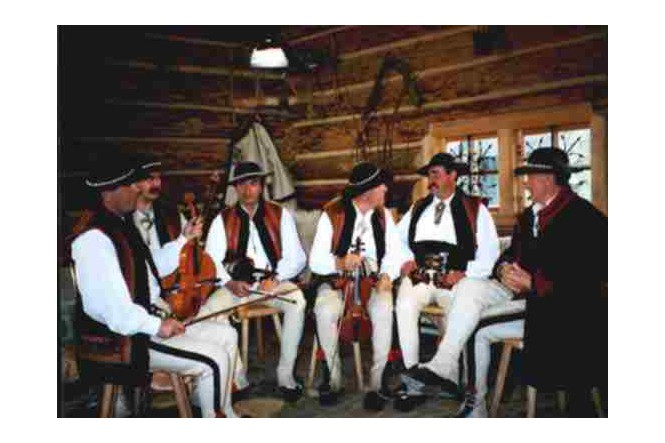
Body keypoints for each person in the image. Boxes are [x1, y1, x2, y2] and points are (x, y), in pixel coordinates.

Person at [404, 147, 607, 418]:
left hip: (558, 308)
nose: (526, 184)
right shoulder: (529, 216)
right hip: (519, 295)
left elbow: (591, 274)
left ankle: (471, 403)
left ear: (548, 179)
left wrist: (535, 283)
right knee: (467, 287)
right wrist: (503, 269)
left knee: (476, 327)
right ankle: (449, 370)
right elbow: (509, 255)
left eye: (530, 177)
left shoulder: (584, 217)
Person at [70, 152, 239, 418]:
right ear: (109, 192)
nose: (139, 189)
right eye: (132, 184)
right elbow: (111, 311)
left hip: (142, 323)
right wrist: (157, 325)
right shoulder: (94, 239)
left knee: (228, 336)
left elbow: (150, 269)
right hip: (122, 339)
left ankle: (224, 413)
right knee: (214, 358)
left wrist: (183, 241)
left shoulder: (121, 225)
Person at [131, 157, 249, 395]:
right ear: (134, 184)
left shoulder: (171, 214)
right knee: (209, 320)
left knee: (216, 315)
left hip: (179, 290)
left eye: (158, 178)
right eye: (149, 179)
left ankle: (228, 383)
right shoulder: (125, 220)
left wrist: (209, 279)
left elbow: (192, 251)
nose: (156, 184)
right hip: (148, 300)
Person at [393, 152, 501, 411]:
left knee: (459, 311)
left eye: (436, 174)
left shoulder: (475, 208)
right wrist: (405, 260)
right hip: (421, 276)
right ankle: (414, 379)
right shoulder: (418, 207)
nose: (431, 181)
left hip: (454, 278)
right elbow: (396, 240)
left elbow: (491, 251)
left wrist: (466, 272)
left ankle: (450, 377)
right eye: (429, 175)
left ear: (453, 175)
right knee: (404, 306)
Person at [203, 161, 308, 402]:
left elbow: (297, 257)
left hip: (271, 282)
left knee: (297, 302)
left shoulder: (280, 214)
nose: (247, 189)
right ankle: (237, 378)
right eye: (241, 184)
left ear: (261, 186)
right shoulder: (222, 219)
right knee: (211, 311)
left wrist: (276, 278)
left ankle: (286, 376)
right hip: (237, 286)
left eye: (253, 183)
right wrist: (229, 282)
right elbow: (211, 261)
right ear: (235, 188)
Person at [309, 162, 402, 410]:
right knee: (324, 310)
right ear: (367, 191)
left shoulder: (383, 215)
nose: (385, 189)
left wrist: (387, 275)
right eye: (381, 186)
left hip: (372, 281)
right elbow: (315, 260)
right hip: (337, 281)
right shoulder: (332, 213)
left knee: (384, 308)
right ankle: (333, 377)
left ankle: (378, 381)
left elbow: (395, 253)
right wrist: (339, 262)